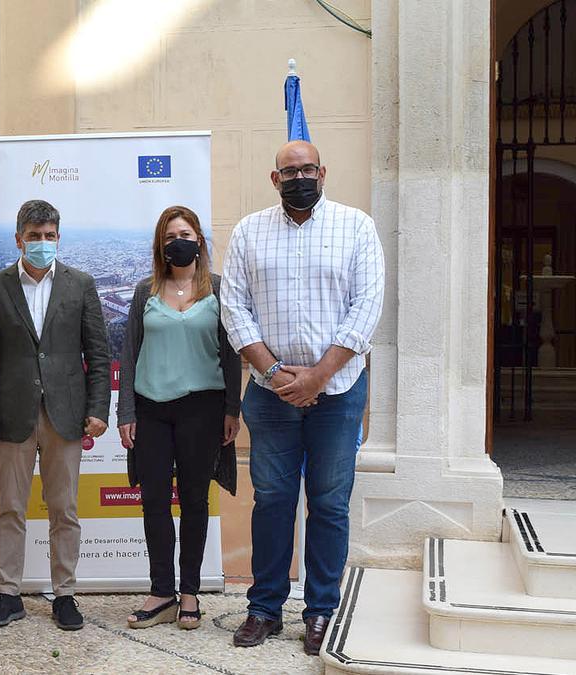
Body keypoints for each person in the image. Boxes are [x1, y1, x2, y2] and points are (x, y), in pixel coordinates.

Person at [221, 141, 384, 655]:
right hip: (270, 395)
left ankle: (320, 611)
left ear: (323, 172)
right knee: (271, 500)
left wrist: (317, 376)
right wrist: (274, 372)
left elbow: (367, 305)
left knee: (330, 503)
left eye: (308, 168)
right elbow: (235, 310)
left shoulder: (356, 226)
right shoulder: (249, 231)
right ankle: (265, 608)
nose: (299, 177)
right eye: (289, 171)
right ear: (274, 179)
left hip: (337, 392)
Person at [0, 199, 112, 632]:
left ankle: (64, 593)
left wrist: (97, 409)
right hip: (12, 415)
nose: (42, 243)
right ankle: (8, 592)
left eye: (49, 236)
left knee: (64, 507)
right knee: (10, 508)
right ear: (19, 239)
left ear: (58, 238)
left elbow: (99, 355)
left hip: (65, 414)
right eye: (34, 236)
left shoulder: (80, 284)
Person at [117, 205, 241, 631]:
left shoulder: (220, 291)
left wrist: (232, 410)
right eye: (170, 236)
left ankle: (189, 592)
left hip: (203, 411)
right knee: (154, 502)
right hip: (151, 409)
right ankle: (162, 591)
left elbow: (231, 356)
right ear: (161, 245)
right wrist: (126, 412)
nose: (178, 242)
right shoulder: (144, 292)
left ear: (200, 240)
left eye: (185, 233)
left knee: (194, 501)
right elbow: (129, 355)